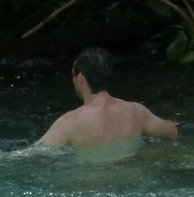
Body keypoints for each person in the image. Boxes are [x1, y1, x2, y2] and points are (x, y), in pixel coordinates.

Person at [36, 47, 177, 150]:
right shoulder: (137, 111)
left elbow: (34, 153)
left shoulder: (70, 121)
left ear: (81, 79)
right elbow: (172, 130)